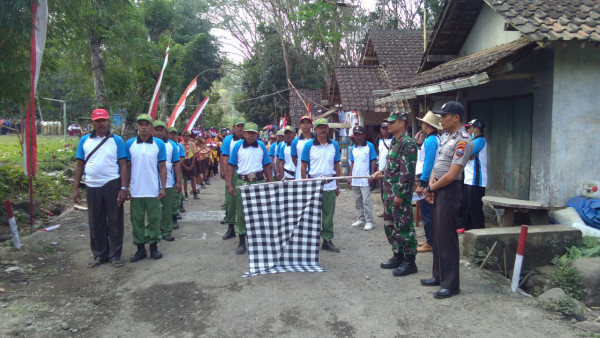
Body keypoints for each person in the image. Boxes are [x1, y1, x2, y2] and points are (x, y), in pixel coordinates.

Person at [421, 101, 473, 299]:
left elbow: (452, 174)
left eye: (444, 116)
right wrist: (431, 185)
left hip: (450, 191)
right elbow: (438, 164)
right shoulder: (445, 137)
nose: (440, 119)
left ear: (456, 117)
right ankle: (438, 275)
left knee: (447, 237)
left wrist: (431, 187)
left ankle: (451, 284)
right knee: (437, 235)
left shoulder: (463, 140)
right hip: (437, 188)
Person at [73, 108, 128, 268]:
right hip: (92, 185)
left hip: (112, 183)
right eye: (97, 121)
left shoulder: (117, 140)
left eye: (103, 120)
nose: (101, 124)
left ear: (108, 121)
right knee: (96, 221)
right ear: (92, 123)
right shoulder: (84, 141)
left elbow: (123, 165)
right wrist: (76, 188)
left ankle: (115, 255)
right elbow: (79, 165)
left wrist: (123, 187)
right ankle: (100, 254)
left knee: (115, 220)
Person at [369, 111, 418, 277]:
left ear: (402, 123)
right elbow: (394, 167)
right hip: (389, 193)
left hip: (399, 194)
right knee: (391, 225)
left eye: (392, 122)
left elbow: (407, 173)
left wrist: (400, 194)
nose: (388, 125)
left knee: (404, 226)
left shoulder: (408, 143)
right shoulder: (395, 142)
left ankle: (410, 261)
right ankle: (398, 255)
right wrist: (381, 172)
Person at [125, 113, 167, 262]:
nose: (143, 127)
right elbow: (127, 167)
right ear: (137, 126)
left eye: (146, 124)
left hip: (153, 190)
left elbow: (162, 166)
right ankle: (140, 249)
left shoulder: (159, 144)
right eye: (141, 124)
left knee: (155, 219)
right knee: (137, 220)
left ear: (151, 127)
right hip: (136, 191)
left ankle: (154, 247)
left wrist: (162, 187)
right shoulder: (129, 144)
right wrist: (126, 187)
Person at [226, 122, 272, 254]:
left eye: (253, 133)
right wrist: (229, 183)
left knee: (260, 212)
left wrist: (269, 180)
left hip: (259, 181)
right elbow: (231, 165)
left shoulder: (262, 146)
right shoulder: (237, 146)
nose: (251, 136)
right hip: (242, 182)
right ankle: (241, 240)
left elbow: (267, 164)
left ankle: (258, 241)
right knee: (241, 213)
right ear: (244, 133)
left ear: (257, 134)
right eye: (248, 133)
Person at [301, 118, 341, 252]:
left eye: (325, 127)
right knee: (312, 214)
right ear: (315, 129)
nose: (323, 130)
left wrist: (337, 184)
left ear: (328, 129)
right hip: (313, 184)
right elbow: (303, 165)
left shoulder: (334, 145)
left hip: (329, 184)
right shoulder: (308, 145)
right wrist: (304, 184)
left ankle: (327, 240)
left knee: (328, 214)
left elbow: (337, 165)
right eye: (320, 127)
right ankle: (311, 241)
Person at [414, 111, 442, 252]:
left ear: (427, 124)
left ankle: (430, 242)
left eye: (423, 123)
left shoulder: (431, 141)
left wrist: (422, 182)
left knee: (427, 212)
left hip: (428, 179)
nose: (422, 125)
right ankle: (430, 239)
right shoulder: (436, 138)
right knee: (429, 211)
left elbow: (428, 163)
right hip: (432, 177)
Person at [152, 120, 181, 242]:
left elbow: (176, 164)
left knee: (167, 208)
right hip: (151, 182)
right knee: (153, 209)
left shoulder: (172, 145)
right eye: (156, 130)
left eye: (161, 130)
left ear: (165, 131)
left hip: (168, 181)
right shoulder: (149, 144)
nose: (159, 132)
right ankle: (154, 231)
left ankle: (166, 231)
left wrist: (178, 181)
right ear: (152, 130)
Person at [458, 119, 488, 232]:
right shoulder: (473, 141)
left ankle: (479, 230)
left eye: (469, 128)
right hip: (468, 179)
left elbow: (464, 153)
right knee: (465, 204)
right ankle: (467, 227)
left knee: (474, 206)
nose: (468, 130)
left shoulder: (479, 141)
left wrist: (467, 155)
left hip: (477, 179)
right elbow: (463, 154)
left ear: (476, 129)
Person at [220, 117, 246, 240]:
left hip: (246, 174)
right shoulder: (228, 140)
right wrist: (226, 175)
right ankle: (231, 229)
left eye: (243, 126)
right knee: (231, 202)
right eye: (238, 126)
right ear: (233, 128)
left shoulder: (250, 139)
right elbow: (224, 157)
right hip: (233, 172)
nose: (241, 128)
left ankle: (246, 230)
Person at [348, 126, 377, 231]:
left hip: (365, 178)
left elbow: (373, 160)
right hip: (355, 177)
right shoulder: (353, 148)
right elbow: (352, 162)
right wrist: (350, 176)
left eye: (359, 134)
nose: (358, 136)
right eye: (356, 134)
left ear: (364, 135)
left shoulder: (370, 146)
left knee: (366, 200)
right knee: (357, 200)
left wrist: (372, 175)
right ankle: (360, 218)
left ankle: (369, 221)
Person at [168, 127, 185, 229]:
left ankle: (175, 214)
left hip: (175, 170)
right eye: (171, 133)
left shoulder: (178, 146)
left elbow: (181, 157)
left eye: (174, 134)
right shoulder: (162, 144)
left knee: (175, 193)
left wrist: (176, 166)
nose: (172, 136)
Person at [377, 121, 393, 215]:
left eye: (387, 128)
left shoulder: (394, 140)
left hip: (390, 170)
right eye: (383, 129)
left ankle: (390, 210)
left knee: (390, 190)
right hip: (381, 170)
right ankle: (385, 210)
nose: (385, 131)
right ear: (381, 130)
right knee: (383, 191)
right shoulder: (380, 141)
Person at [291, 115, 314, 179]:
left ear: (311, 125)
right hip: (299, 174)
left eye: (308, 123)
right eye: (303, 123)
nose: (305, 125)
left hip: (315, 173)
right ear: (300, 126)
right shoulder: (295, 142)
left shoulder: (316, 140)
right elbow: (294, 158)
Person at [181, 130, 199, 200]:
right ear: (183, 136)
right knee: (185, 178)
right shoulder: (181, 144)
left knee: (192, 178)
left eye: (188, 136)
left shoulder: (192, 144)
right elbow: (180, 156)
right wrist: (184, 165)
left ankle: (194, 192)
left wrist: (192, 164)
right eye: (186, 136)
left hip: (191, 161)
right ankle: (185, 193)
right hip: (184, 161)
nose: (187, 137)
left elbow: (195, 154)